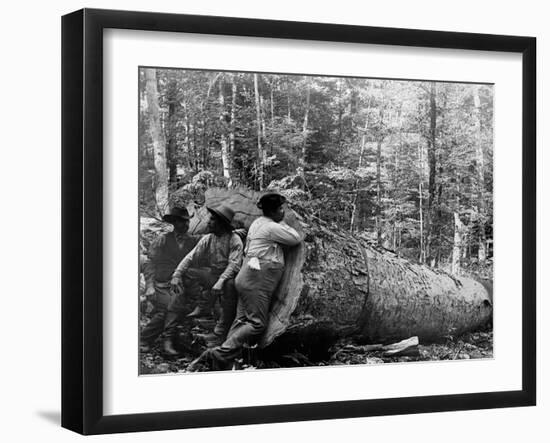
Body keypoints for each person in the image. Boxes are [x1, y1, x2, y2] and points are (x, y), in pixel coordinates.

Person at [200, 192, 303, 370]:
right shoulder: (271, 227)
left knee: (241, 320)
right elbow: (295, 238)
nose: (283, 213)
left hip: (247, 275)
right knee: (257, 323)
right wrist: (284, 222)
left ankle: (223, 361)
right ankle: (219, 354)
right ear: (274, 211)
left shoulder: (257, 223)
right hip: (257, 278)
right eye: (281, 209)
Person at [169, 204, 244, 350]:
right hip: (213, 274)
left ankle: (220, 333)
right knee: (189, 272)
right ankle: (202, 305)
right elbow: (190, 257)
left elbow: (234, 264)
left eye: (212, 220)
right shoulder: (208, 238)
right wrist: (177, 274)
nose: (208, 223)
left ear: (221, 223)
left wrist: (221, 281)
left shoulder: (234, 240)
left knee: (229, 286)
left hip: (229, 277)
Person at [140, 207, 199, 354]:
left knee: (174, 305)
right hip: (160, 284)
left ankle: (167, 341)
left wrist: (234, 233)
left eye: (187, 221)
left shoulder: (192, 241)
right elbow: (149, 263)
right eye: (181, 222)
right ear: (174, 223)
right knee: (166, 309)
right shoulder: (163, 239)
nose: (185, 225)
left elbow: (210, 238)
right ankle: (145, 340)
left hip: (179, 285)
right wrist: (149, 286)